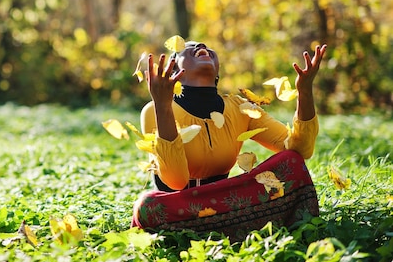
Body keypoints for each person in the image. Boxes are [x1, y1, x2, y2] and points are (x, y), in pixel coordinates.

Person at [131, 40, 327, 240]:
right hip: (178, 209)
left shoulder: (240, 108)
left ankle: (227, 231)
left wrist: (304, 92)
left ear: (217, 71)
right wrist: (162, 106)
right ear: (174, 69)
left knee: (292, 161)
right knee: (146, 206)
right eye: (188, 47)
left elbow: (299, 149)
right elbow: (176, 182)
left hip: (227, 204)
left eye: (206, 46)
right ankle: (241, 230)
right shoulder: (154, 110)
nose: (200, 46)